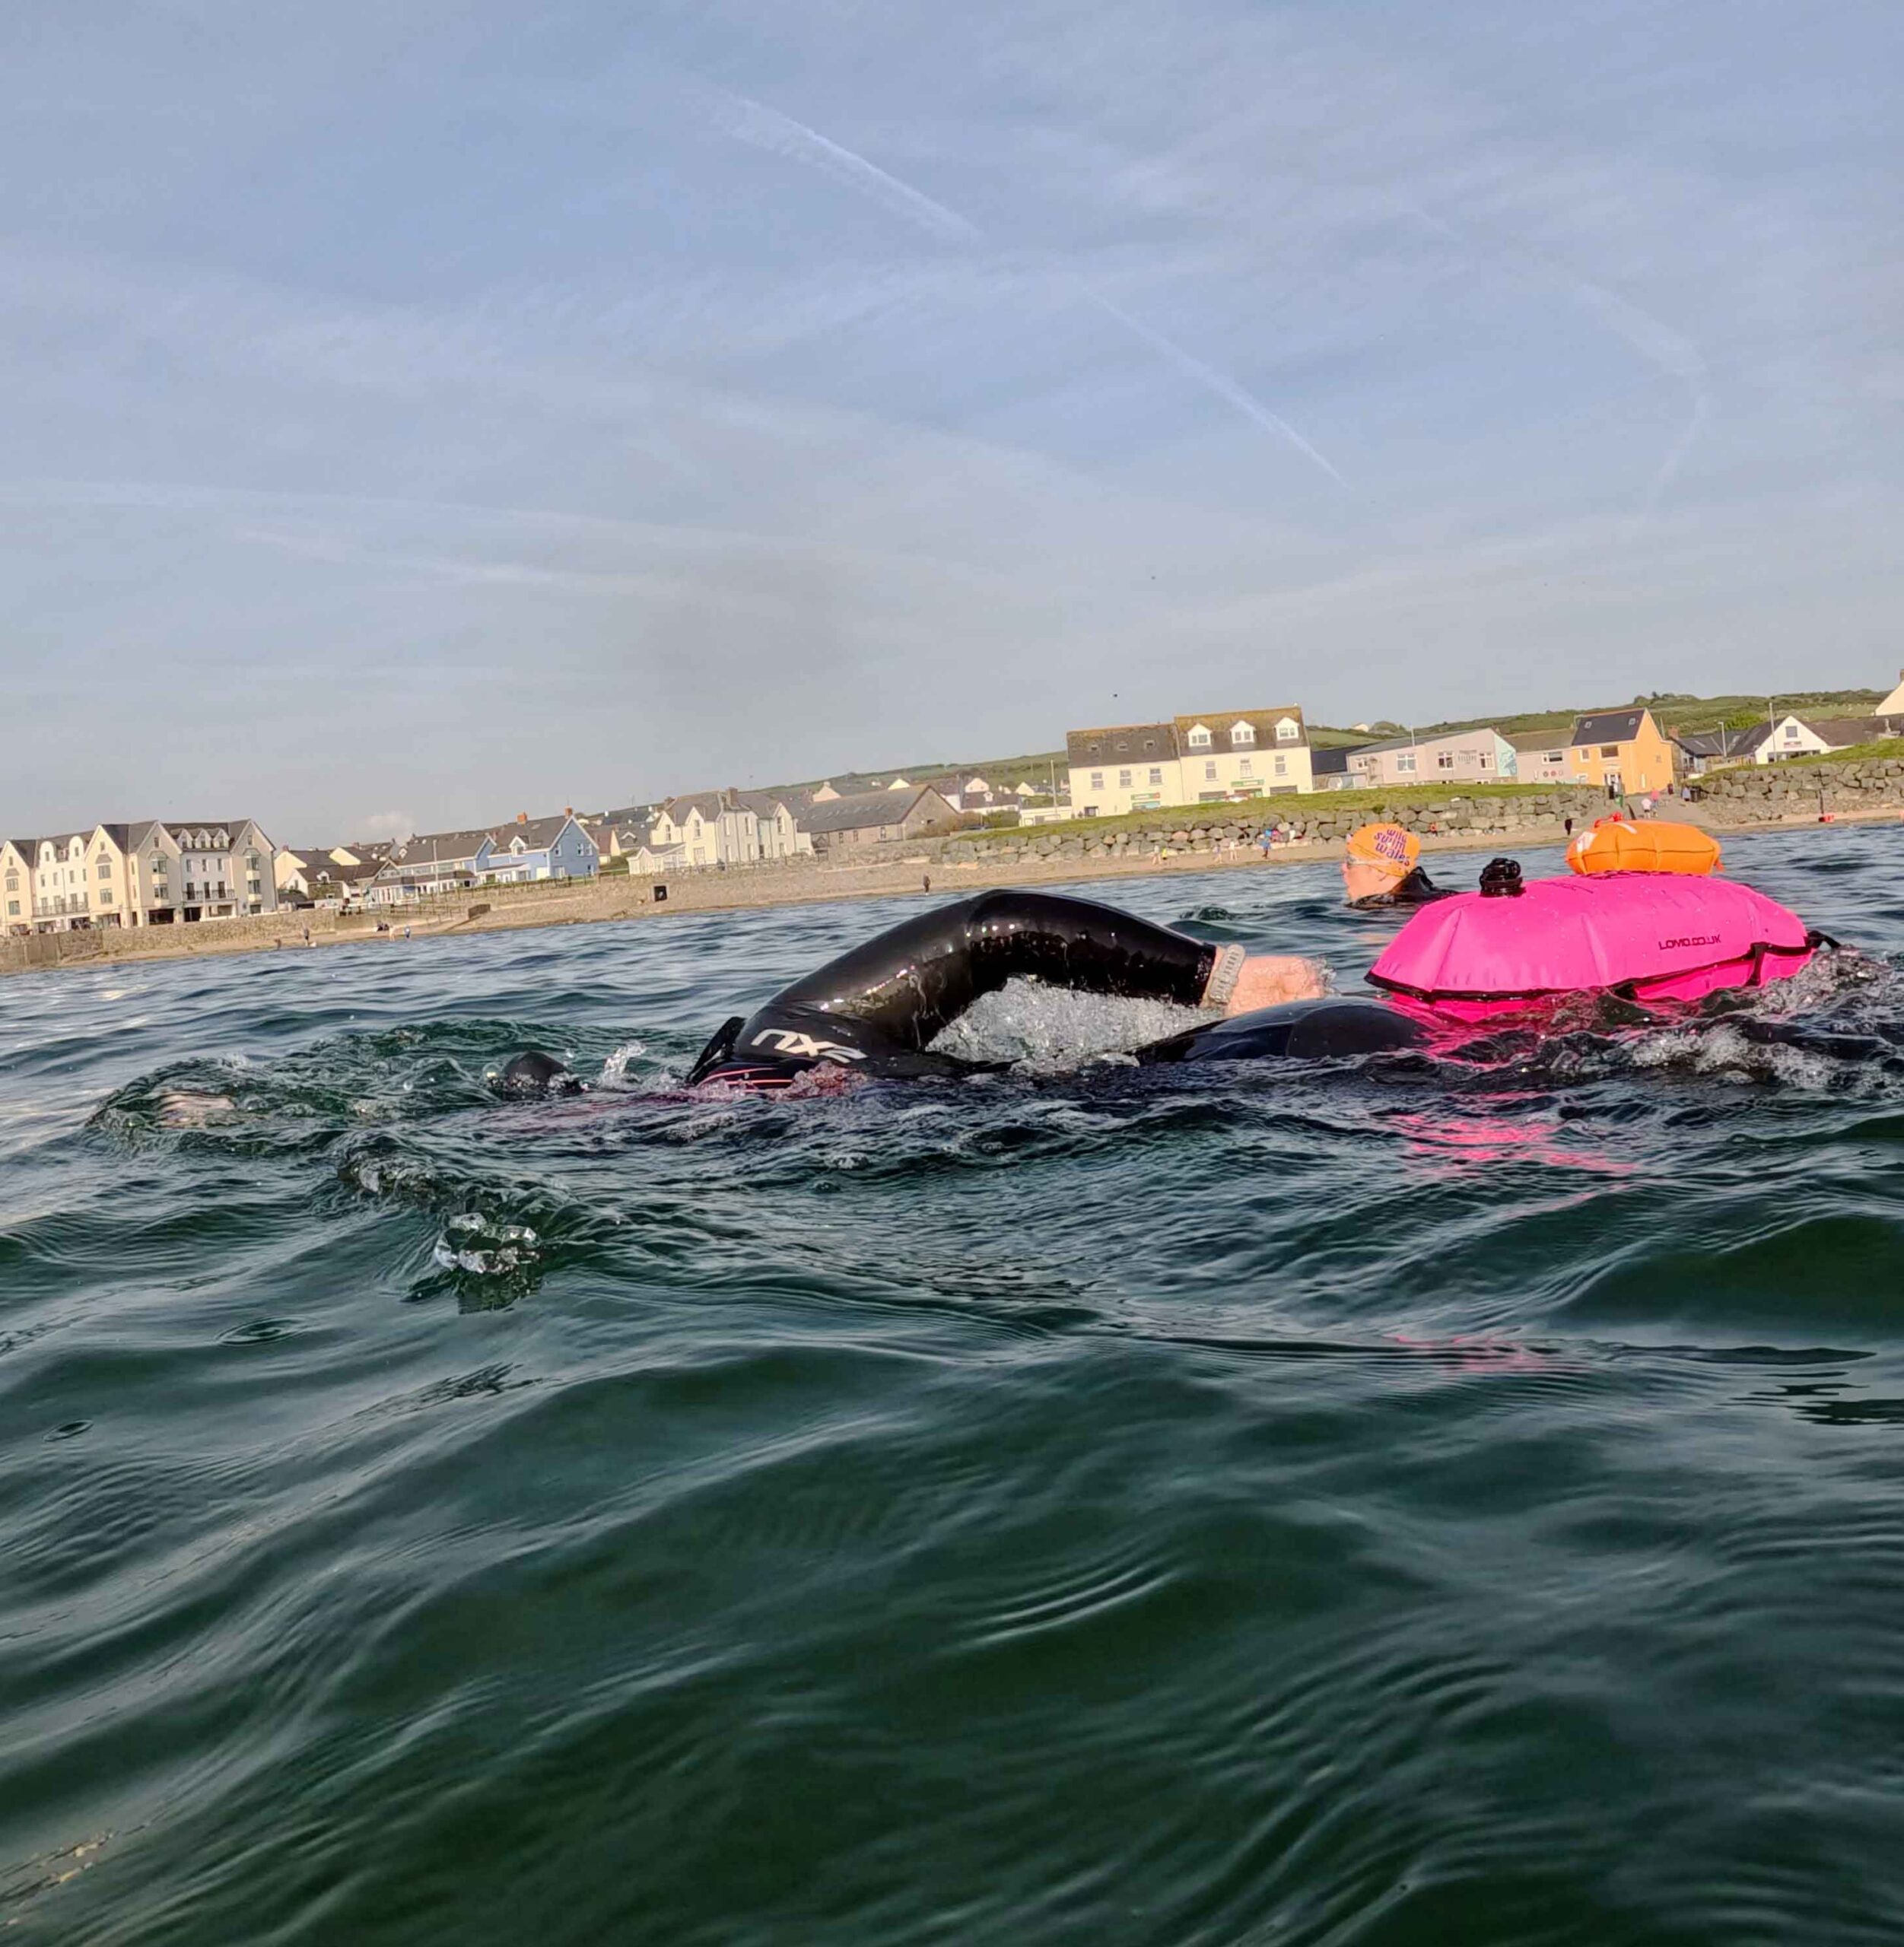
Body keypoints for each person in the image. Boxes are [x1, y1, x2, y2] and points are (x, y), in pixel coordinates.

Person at [500, 891, 1429, 1097]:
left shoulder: (789, 1033)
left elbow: (995, 927)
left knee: (1325, 1032)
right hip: (982, 1119)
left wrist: (1215, 978)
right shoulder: (720, 1162)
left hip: (879, 1088)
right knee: (1324, 1040)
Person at [1340, 824, 1453, 910]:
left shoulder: (1386, 913)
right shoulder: (1439, 898)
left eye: (1351, 861)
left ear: (1381, 870)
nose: (1343, 867)